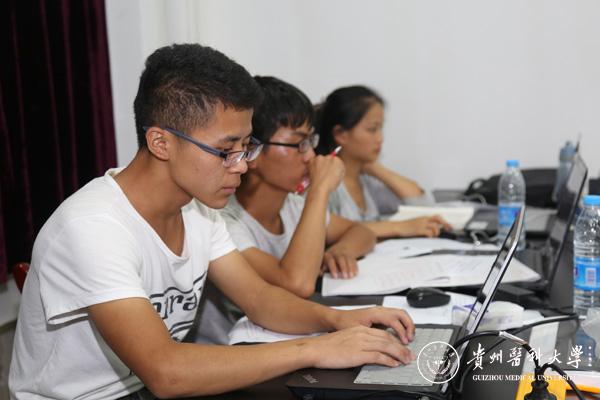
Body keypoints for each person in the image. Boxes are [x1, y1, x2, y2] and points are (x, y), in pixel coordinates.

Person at [9, 44, 415, 400]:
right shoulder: (93, 226)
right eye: (225, 151)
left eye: (246, 147)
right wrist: (315, 348)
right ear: (161, 142)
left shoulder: (198, 209)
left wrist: (338, 320)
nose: (241, 166)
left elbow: (259, 299)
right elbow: (166, 372)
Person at [220, 76, 376, 301]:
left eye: (310, 141)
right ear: (252, 151)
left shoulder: (291, 204)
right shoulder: (224, 222)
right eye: (299, 144)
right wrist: (319, 190)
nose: (310, 155)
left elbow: (362, 232)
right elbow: (297, 284)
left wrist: (340, 251)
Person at [315, 85, 451, 239]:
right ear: (340, 134)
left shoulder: (366, 181)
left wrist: (375, 168)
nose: (380, 138)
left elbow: (422, 205)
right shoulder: (326, 184)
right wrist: (400, 227)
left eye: (381, 128)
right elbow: (323, 229)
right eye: (372, 129)